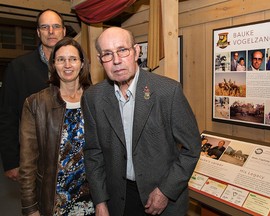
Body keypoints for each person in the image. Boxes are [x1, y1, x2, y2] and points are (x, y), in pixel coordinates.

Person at [82, 27, 201, 216]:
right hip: (118, 200)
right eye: (107, 54)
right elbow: (93, 153)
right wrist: (100, 201)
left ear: (137, 51)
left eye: (122, 50)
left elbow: (192, 148)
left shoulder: (168, 92)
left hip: (163, 198)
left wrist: (166, 191)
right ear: (100, 60)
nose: (116, 60)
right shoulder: (93, 98)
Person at [19, 37, 95, 216]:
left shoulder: (96, 99)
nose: (67, 65)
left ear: (82, 63)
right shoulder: (36, 103)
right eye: (61, 59)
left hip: (93, 199)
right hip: (55, 201)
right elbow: (27, 163)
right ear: (53, 65)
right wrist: (30, 208)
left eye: (73, 59)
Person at [0, 9, 66, 181]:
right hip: (35, 159)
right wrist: (11, 161)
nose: (51, 32)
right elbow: (8, 115)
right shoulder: (18, 67)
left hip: (70, 156)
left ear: (64, 31)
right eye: (45, 27)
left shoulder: (76, 64)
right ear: (38, 32)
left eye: (56, 26)